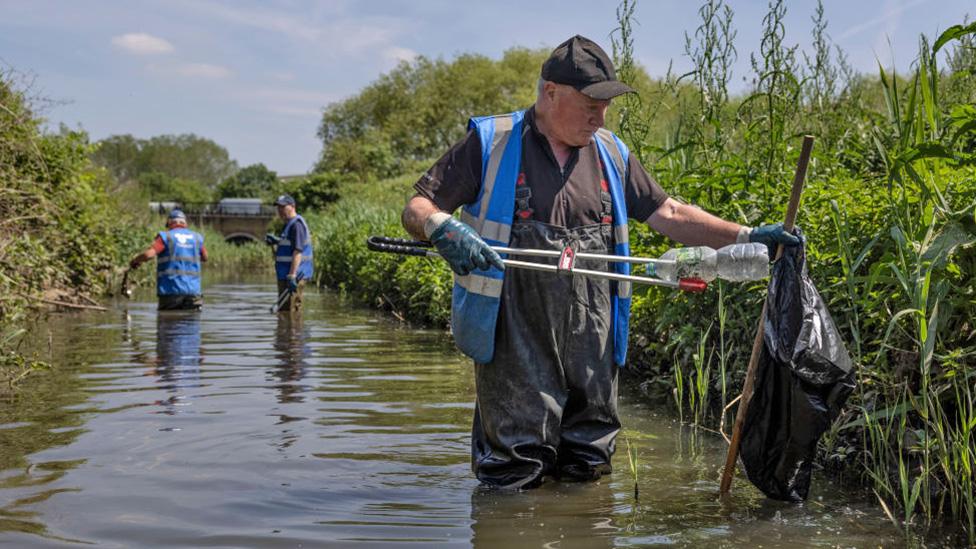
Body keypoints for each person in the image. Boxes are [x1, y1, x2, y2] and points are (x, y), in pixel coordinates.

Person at [400, 35, 799, 490]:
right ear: (550, 92)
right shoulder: (492, 141)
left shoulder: (611, 151)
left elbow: (668, 213)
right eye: (590, 102)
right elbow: (418, 206)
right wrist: (441, 228)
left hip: (593, 338)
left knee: (588, 466)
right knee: (514, 472)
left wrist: (745, 236)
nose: (600, 116)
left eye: (606, 104)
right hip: (514, 338)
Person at [129, 208, 208, 310]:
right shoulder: (197, 237)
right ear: (185, 223)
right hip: (193, 293)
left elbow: (149, 255)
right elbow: (205, 257)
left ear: (169, 223)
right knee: (191, 322)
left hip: (170, 292)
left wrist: (135, 260)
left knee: (168, 321)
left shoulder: (166, 236)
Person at [267, 194, 313, 312]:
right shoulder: (290, 224)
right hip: (287, 275)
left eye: (283, 207)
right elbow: (292, 243)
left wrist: (292, 276)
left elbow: (298, 251)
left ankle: (293, 331)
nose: (280, 211)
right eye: (278, 208)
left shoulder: (297, 225)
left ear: (292, 206)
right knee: (285, 311)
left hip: (294, 276)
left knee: (291, 311)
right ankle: (287, 330)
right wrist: (277, 241)